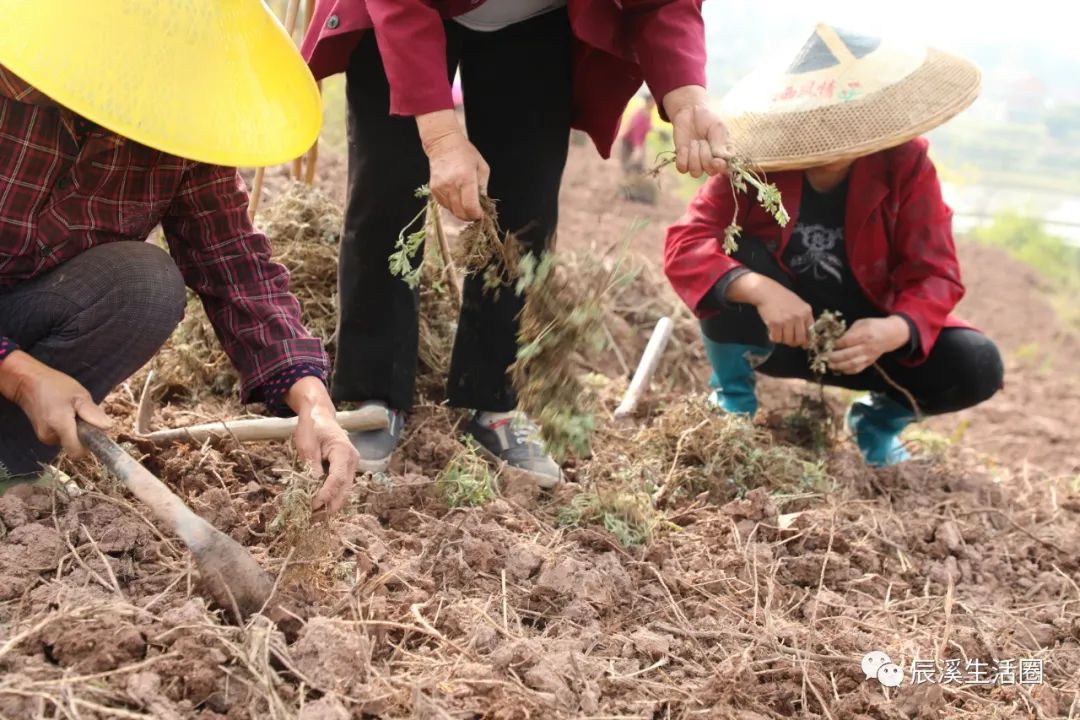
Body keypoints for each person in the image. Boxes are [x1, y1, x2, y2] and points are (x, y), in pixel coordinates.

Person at [301, 0, 730, 485]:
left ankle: (491, 399)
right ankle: (373, 393)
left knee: (526, 206)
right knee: (388, 193)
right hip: (406, 13)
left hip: (536, 22)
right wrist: (441, 137)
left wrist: (688, 96)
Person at [0, 2, 360, 510]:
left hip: (22, 314)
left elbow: (236, 263)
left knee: (145, 285)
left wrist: (312, 399)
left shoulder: (174, 134)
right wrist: (19, 375)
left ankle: (8, 462)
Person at [664, 24, 1004, 466]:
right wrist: (760, 290)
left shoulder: (905, 163)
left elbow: (936, 273)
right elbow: (685, 243)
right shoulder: (754, 167)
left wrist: (893, 331)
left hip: (862, 344)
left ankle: (876, 425)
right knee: (736, 253)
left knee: (976, 364)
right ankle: (733, 403)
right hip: (778, 333)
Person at [620, 95, 656, 174]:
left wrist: (657, 130)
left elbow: (647, 126)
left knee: (639, 162)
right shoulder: (640, 116)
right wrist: (637, 148)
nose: (654, 105)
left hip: (637, 141)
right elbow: (636, 133)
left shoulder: (647, 113)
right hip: (629, 141)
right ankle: (627, 181)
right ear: (648, 102)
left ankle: (635, 179)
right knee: (629, 162)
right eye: (653, 102)